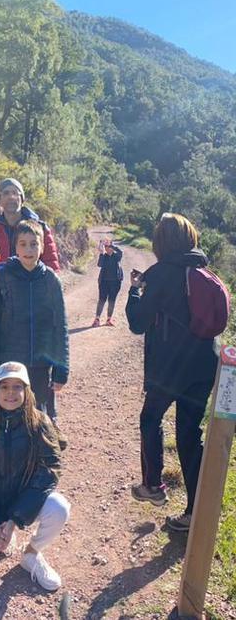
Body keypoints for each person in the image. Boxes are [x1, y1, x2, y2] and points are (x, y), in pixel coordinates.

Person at [126, 213, 217, 532]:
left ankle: (152, 485)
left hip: (170, 368)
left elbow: (138, 322)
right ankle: (196, 511)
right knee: (190, 436)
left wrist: (134, 291)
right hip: (204, 366)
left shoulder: (162, 273)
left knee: (150, 419)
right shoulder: (202, 270)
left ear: (161, 242)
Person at [0, 362, 68, 593]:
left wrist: (15, 520)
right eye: (4, 386)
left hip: (22, 505)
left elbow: (49, 471)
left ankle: (31, 554)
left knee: (59, 507)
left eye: (17, 387)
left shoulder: (40, 423)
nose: (10, 393)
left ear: (27, 391)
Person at [0, 221, 68, 426]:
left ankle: (42, 455)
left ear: (42, 247)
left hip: (41, 364)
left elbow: (60, 327)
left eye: (33, 244)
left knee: (40, 416)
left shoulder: (50, 280)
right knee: (10, 415)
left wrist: (61, 369)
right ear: (15, 247)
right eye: (23, 244)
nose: (28, 249)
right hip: (10, 363)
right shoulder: (4, 276)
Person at [0, 178, 61, 272]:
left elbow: (51, 263)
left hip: (33, 285)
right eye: (6, 193)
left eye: (15, 193)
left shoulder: (40, 228)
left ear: (22, 199)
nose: (11, 197)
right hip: (2, 285)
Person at [94, 239, 123, 327]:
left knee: (112, 301)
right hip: (104, 282)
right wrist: (101, 252)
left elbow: (121, 252)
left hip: (115, 283)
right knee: (102, 300)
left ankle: (108, 319)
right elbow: (99, 264)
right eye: (106, 247)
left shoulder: (116, 256)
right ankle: (97, 319)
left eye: (108, 246)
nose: (107, 248)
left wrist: (112, 245)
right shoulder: (104, 256)